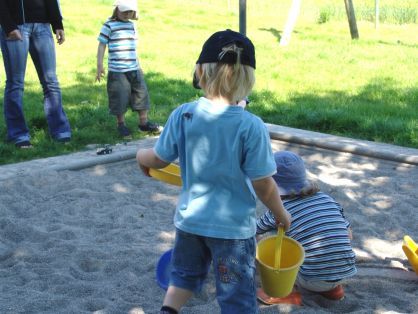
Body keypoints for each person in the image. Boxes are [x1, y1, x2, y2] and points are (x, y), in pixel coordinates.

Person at [136, 29, 291, 314]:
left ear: (199, 72)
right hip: (232, 230)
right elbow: (264, 184)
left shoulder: (183, 114)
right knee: (236, 294)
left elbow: (158, 158)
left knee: (184, 275)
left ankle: (168, 311)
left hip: (190, 221)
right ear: (249, 80)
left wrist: (140, 156)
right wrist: (281, 213)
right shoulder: (251, 126)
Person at [256, 151, 357, 302]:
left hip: (311, 278)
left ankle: (283, 292)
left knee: (271, 241)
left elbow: (253, 229)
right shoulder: (326, 199)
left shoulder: (279, 210)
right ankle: (333, 289)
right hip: (345, 272)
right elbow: (349, 235)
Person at [0, 0, 72, 148]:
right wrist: (8, 26)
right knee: (16, 83)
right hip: (16, 26)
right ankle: (18, 134)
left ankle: (60, 131)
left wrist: (57, 23)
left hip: (43, 27)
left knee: (51, 81)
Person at [96, 0, 161, 139]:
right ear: (117, 9)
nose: (127, 14)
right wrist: (99, 65)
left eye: (130, 11)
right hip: (117, 71)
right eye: (124, 11)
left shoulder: (132, 26)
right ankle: (121, 124)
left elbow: (133, 48)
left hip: (134, 68)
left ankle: (143, 123)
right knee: (119, 96)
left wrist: (138, 64)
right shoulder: (109, 25)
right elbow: (102, 45)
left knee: (141, 93)